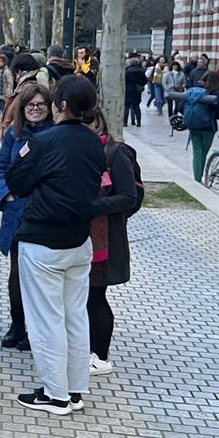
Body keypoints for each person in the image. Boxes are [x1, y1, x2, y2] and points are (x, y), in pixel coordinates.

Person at [4, 76, 105, 415]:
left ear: (60, 105)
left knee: (47, 320)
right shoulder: (94, 142)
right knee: (75, 317)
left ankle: (55, 394)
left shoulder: (45, 141)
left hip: (43, 241)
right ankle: (75, 390)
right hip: (79, 241)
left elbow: (16, 179)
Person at [0, 84, 53, 351]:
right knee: (16, 275)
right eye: (30, 105)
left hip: (43, 214)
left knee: (40, 278)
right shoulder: (14, 135)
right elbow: (1, 167)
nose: (35, 109)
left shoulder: (55, 135)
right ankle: (17, 324)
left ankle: (36, 329)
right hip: (16, 211)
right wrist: (6, 194)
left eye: (41, 104)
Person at [85, 109, 138, 377]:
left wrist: (93, 206)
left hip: (107, 239)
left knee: (95, 296)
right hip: (80, 237)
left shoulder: (116, 152)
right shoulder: (79, 150)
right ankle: (91, 349)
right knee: (83, 297)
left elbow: (129, 197)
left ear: (99, 121)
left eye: (88, 121)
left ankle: (102, 355)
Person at [168, 71, 219, 181]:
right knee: (203, 153)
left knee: (197, 152)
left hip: (193, 126)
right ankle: (199, 178)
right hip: (209, 127)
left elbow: (180, 107)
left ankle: (197, 178)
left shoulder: (193, 91)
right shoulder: (216, 93)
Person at [123, 54, 145, 127]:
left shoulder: (126, 71)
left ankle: (125, 122)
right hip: (137, 90)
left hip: (128, 89)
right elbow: (144, 81)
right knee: (136, 106)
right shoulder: (141, 71)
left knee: (126, 106)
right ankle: (138, 122)